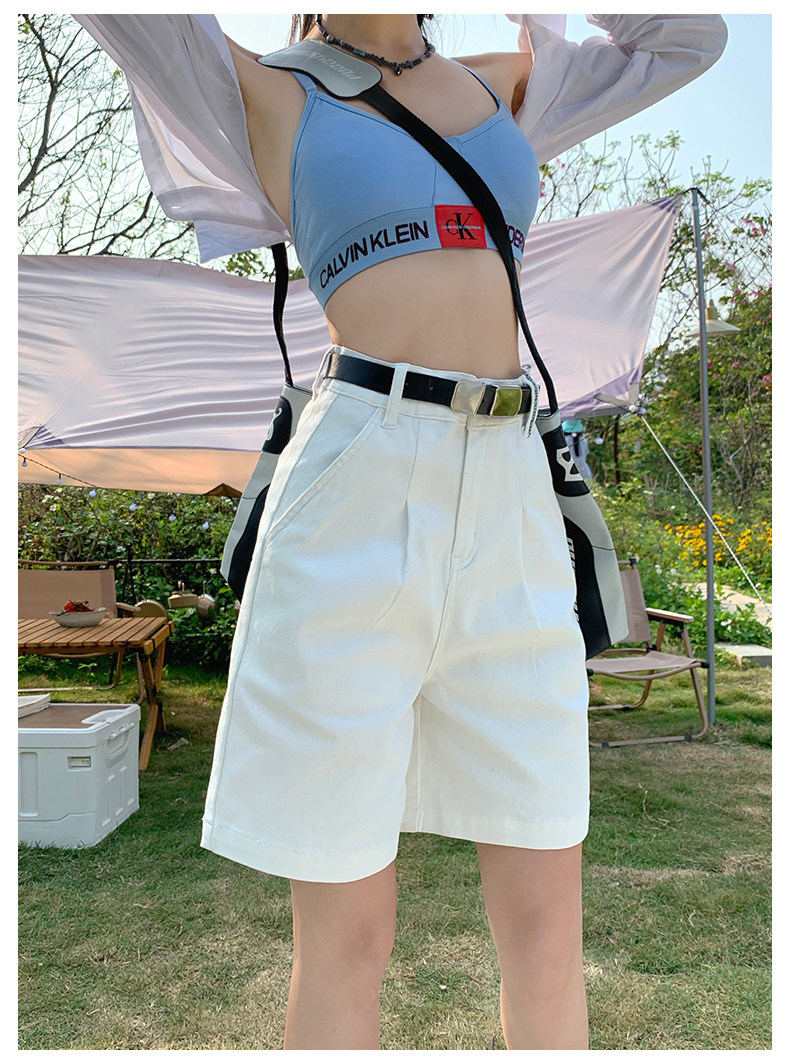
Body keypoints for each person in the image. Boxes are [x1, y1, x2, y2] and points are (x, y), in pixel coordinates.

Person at [75, 13, 727, 1050]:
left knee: (547, 925)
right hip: (357, 481)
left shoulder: (501, 87)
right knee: (348, 934)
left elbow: (689, 41)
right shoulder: (262, 87)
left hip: (511, 486)